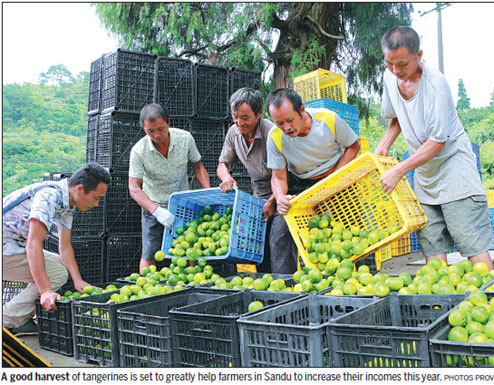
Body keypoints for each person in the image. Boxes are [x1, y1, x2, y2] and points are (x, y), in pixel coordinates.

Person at [374, 26, 494, 271]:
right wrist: (383, 146)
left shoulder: (436, 85)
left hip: (454, 172)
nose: (396, 71)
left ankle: (493, 298)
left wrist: (399, 170)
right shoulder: (390, 77)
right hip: (425, 173)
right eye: (389, 64)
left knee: (471, 242)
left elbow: (437, 142)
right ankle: (441, 302)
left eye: (402, 64)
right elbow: (396, 116)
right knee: (432, 243)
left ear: (418, 55)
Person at [2, 162, 111, 336]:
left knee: (61, 264)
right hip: (6, 248)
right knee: (58, 274)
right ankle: (7, 321)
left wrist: (78, 281)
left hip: (13, 246)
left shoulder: (67, 202)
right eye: (96, 198)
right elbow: (33, 244)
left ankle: (21, 316)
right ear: (80, 189)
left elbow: (65, 247)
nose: (97, 204)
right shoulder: (49, 196)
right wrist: (45, 290)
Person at [266, 88, 360, 273]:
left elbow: (353, 145)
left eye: (289, 120)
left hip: (336, 177)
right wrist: (281, 197)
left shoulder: (328, 119)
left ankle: (362, 278)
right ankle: (285, 287)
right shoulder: (275, 138)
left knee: (351, 230)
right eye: (279, 123)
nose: (286, 127)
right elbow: (278, 176)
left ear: (301, 109)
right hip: (301, 184)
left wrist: (336, 178)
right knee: (280, 232)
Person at [129, 103, 210, 273]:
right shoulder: (139, 151)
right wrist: (156, 210)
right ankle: (147, 289)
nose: (157, 135)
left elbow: (198, 167)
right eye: (150, 131)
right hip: (153, 204)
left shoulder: (185, 139)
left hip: (183, 205)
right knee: (149, 252)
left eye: (160, 129)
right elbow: (134, 188)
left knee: (190, 251)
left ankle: (192, 284)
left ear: (168, 122)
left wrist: (208, 192)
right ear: (144, 129)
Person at [216, 87, 283, 273]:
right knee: (257, 246)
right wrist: (226, 177)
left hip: (283, 193)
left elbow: (285, 176)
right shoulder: (233, 132)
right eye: (235, 116)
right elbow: (222, 164)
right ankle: (264, 289)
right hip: (259, 197)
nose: (239, 122)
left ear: (259, 113)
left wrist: (272, 201)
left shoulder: (273, 133)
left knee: (277, 242)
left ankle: (283, 287)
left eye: (245, 117)